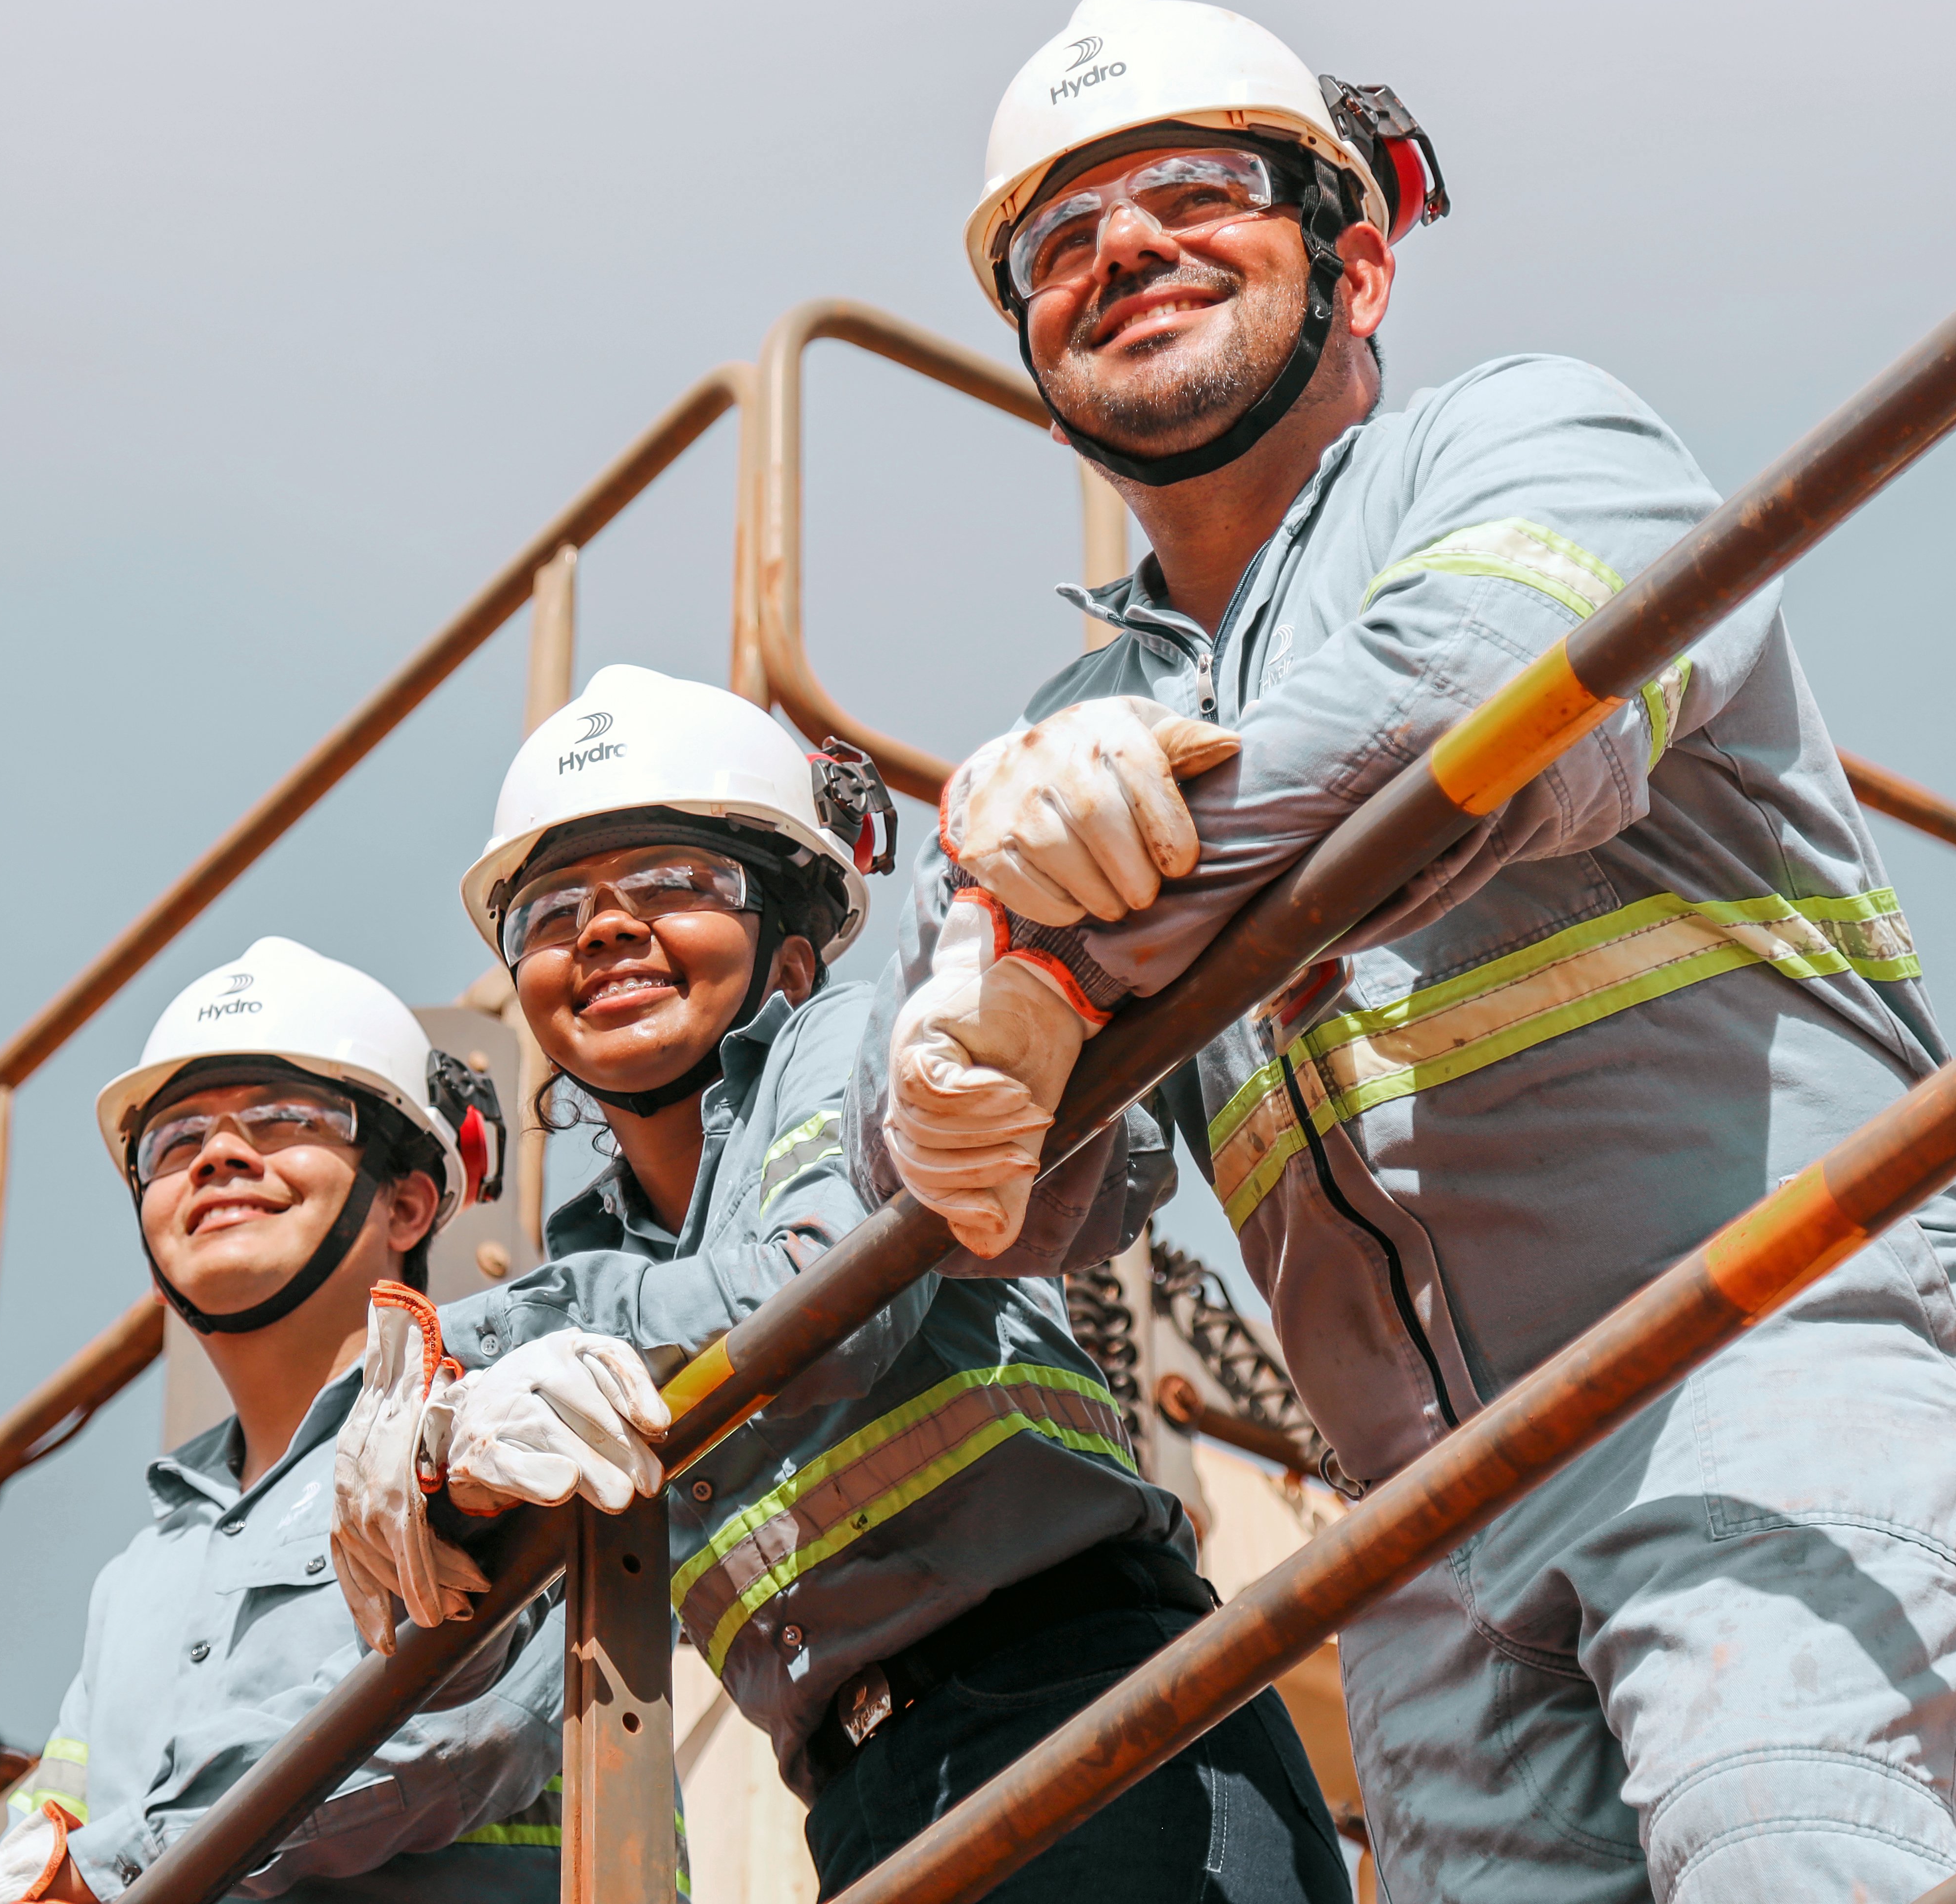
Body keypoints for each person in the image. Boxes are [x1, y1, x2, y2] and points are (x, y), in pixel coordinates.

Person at [854, 0, 1956, 1903]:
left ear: (1363, 250)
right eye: (1058, 243)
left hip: (1757, 1356)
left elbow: (1483, 714)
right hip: (1422, 1539)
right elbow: (1022, 1192)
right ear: (1033, 353)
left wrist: (1050, 943)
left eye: (1196, 189)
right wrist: (935, 1074)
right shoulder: (1064, 725)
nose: (1125, 250)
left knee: (1794, 1852)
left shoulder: (1538, 444)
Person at [329, 664, 1346, 1901]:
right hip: (863, 1792)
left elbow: (818, 1305)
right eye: (551, 909)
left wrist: (482, 1338)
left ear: (793, 948)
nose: (603, 927)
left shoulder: (850, 1048)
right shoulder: (598, 1273)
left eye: (675, 882)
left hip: (1087, 1707)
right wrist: (432, 1452)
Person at [0, 936, 563, 1904]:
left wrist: (94, 1872)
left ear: (411, 1202)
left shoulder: (492, 1427)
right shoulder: (141, 1578)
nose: (217, 1153)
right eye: (174, 1140)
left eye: (284, 1115)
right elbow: (53, 1834)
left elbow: (475, 1727)